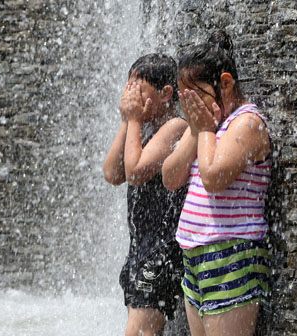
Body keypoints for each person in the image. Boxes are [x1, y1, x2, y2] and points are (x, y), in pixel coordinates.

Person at [162, 30, 272, 336]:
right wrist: (197, 132)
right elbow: (170, 178)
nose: (191, 106)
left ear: (225, 83)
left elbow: (212, 178)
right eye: (185, 99)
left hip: (232, 254)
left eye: (196, 96)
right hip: (194, 255)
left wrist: (205, 130)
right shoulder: (204, 126)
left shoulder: (247, 123)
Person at [103, 54, 188, 336]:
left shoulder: (176, 127)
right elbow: (113, 174)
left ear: (166, 94)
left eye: (138, 90)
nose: (132, 98)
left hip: (161, 248)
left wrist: (134, 119)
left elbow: (136, 171)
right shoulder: (142, 128)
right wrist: (127, 122)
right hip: (140, 246)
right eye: (129, 90)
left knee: (139, 332)